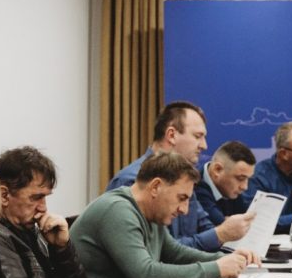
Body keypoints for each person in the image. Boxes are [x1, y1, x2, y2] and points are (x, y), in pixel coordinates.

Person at [71, 153, 256, 278]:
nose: (184, 210)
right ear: (156, 187)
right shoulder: (117, 210)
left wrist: (225, 259)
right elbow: (146, 275)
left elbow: (175, 253)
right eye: (181, 198)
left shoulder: (151, 213)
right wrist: (216, 269)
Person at [106, 101, 254, 250]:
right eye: (198, 136)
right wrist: (221, 234)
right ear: (171, 135)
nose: (204, 145)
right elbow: (163, 251)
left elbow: (204, 228)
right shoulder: (132, 181)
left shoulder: (185, 179)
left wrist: (230, 248)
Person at [0, 146, 94, 278]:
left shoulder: (32, 230)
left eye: (45, 197)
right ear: (4, 196)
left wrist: (62, 248)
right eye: (36, 197)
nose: (43, 207)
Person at [196, 140, 256, 225]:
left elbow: (253, 222)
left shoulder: (231, 190)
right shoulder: (194, 186)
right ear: (217, 170)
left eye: (248, 179)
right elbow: (225, 227)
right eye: (240, 178)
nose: (244, 187)